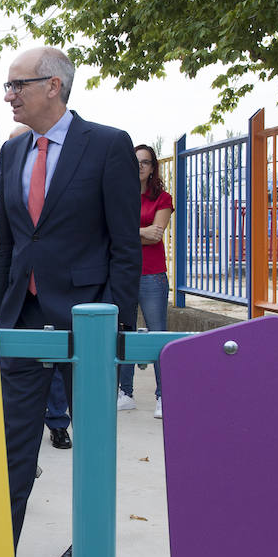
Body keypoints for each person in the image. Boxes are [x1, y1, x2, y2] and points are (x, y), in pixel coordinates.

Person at [0, 47, 141, 557]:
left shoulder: (107, 145)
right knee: (12, 438)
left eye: (17, 85)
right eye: (7, 86)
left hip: (87, 318)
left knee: (91, 440)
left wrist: (117, 323)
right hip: (23, 316)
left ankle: (90, 543)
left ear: (53, 86)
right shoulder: (12, 153)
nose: (8, 95)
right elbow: (8, 243)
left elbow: (125, 244)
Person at [117, 143, 173, 419]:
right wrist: (138, 232)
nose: (140, 165)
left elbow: (156, 235)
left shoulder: (162, 198)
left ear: (153, 168)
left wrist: (126, 232)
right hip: (124, 273)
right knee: (125, 334)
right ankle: (125, 393)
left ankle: (164, 397)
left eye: (146, 162)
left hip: (152, 276)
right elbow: (111, 233)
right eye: (136, 161)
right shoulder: (120, 197)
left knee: (157, 335)